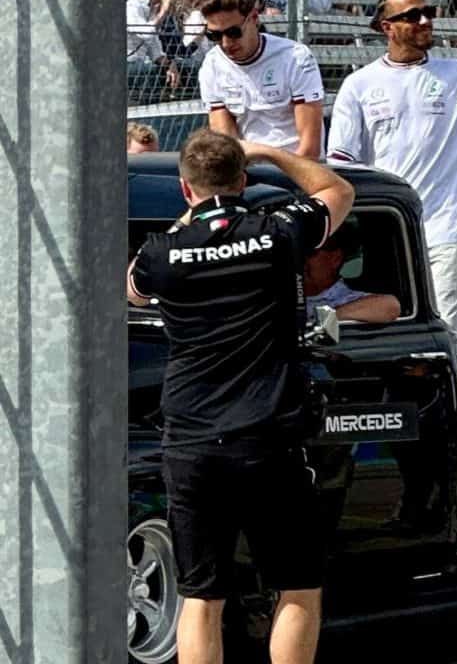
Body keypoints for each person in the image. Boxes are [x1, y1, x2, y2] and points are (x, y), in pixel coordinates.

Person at [127, 128, 354, 664]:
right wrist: (274, 151)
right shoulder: (277, 231)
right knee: (297, 587)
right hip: (268, 436)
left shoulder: (164, 252)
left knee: (201, 596)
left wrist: (192, 218)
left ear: (185, 189)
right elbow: (337, 191)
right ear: (245, 181)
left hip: (192, 439)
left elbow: (131, 286)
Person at [327, 0, 457, 376]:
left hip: (446, 233)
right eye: (412, 15)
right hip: (387, 238)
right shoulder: (359, 84)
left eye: (428, 12)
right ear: (387, 27)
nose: (424, 21)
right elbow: (341, 160)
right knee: (396, 339)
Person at [198, 0, 324, 157]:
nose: (225, 43)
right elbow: (226, 146)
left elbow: (310, 149)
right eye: (214, 36)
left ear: (254, 19)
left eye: (233, 32)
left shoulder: (295, 57)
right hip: (246, 172)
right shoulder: (212, 64)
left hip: (298, 170)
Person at [305, 223, 400, 324]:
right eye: (297, 251)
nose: (301, 259)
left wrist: (329, 319)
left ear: (335, 259)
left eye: (309, 253)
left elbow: (390, 307)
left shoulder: (347, 299)